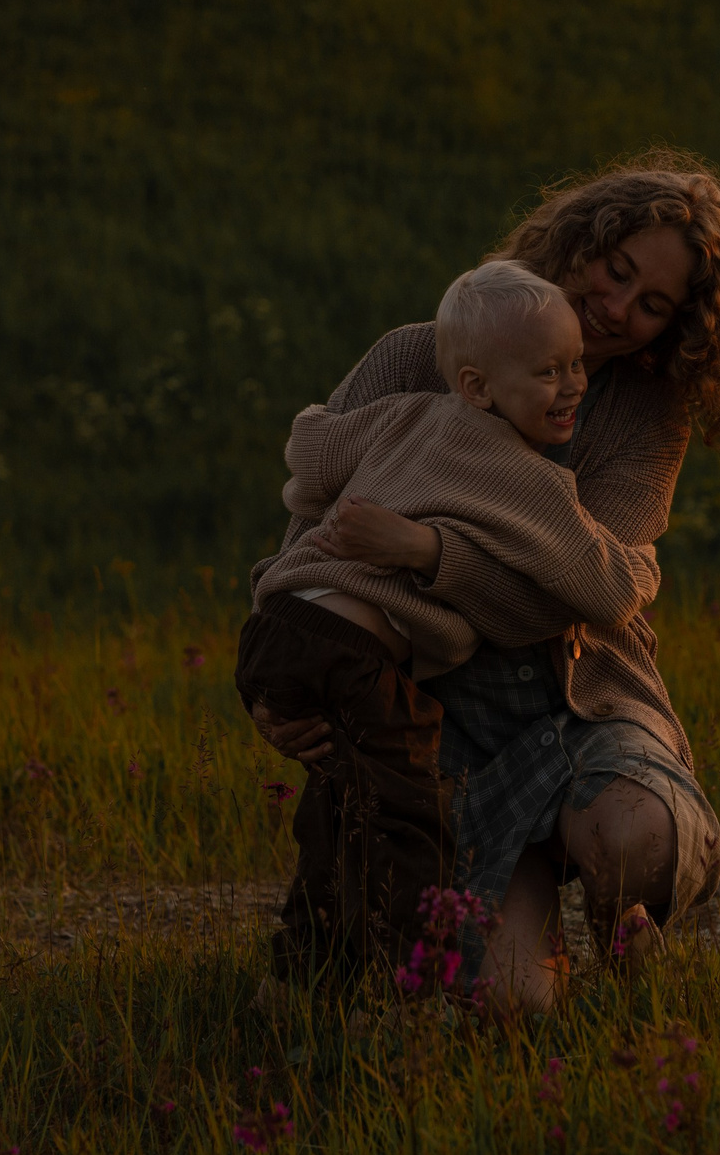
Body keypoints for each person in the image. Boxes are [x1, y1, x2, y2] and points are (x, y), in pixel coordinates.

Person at [248, 153, 720, 1013]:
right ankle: (525, 893)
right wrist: (290, 676)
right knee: (510, 1010)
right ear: (580, 240)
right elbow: (315, 538)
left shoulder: (650, 415)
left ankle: (622, 930)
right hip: (443, 726)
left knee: (633, 836)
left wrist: (431, 554)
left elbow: (588, 592)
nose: (617, 308)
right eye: (616, 271)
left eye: (653, 304)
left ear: (676, 327)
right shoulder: (411, 361)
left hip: (585, 697)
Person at [238, 263, 661, 986]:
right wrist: (645, 564)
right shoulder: (527, 479)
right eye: (548, 372)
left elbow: (309, 457)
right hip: (353, 654)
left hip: (277, 626)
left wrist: (356, 493)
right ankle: (405, 975)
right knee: (408, 810)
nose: (573, 387)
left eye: (574, 366)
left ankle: (311, 966)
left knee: (344, 799)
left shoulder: (403, 413)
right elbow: (609, 589)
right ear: (477, 386)